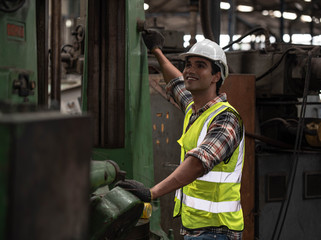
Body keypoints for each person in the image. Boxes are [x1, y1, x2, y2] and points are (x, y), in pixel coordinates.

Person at [116, 30, 245, 240]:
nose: (190, 71)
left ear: (216, 76)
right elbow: (176, 82)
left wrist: (152, 193)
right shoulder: (194, 109)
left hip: (217, 232)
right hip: (195, 228)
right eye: (188, 64)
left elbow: (198, 162)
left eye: (200, 66)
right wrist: (156, 50)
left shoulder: (226, 119)